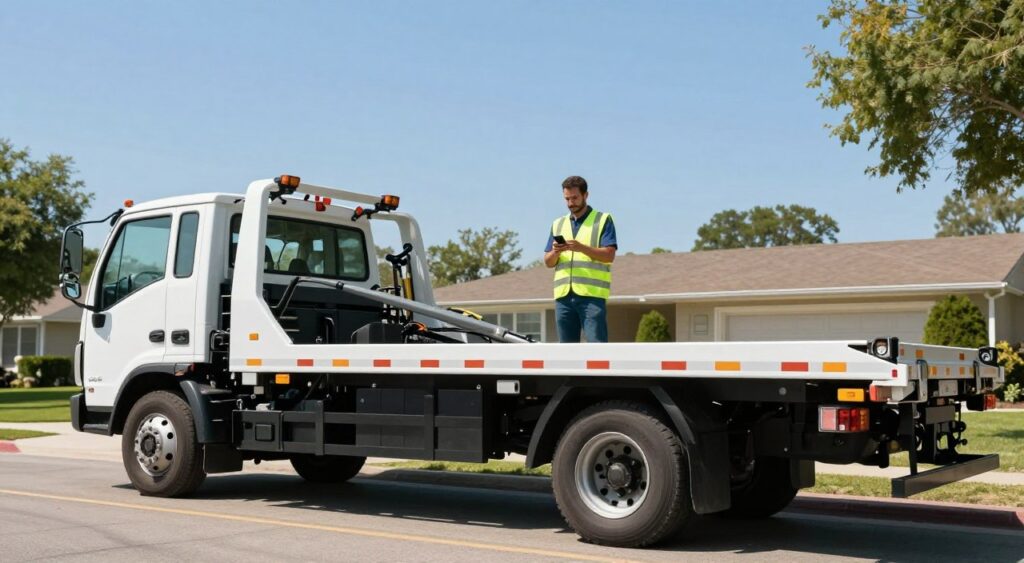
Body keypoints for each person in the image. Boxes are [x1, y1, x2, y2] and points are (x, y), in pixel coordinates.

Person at [544, 175, 617, 342]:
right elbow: (548, 262)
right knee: (567, 352)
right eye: (567, 199)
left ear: (586, 195)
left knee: (596, 348)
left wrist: (581, 247)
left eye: (575, 198)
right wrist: (556, 252)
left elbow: (609, 255)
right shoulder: (558, 224)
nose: (571, 203)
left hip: (591, 297)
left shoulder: (602, 220)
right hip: (563, 298)